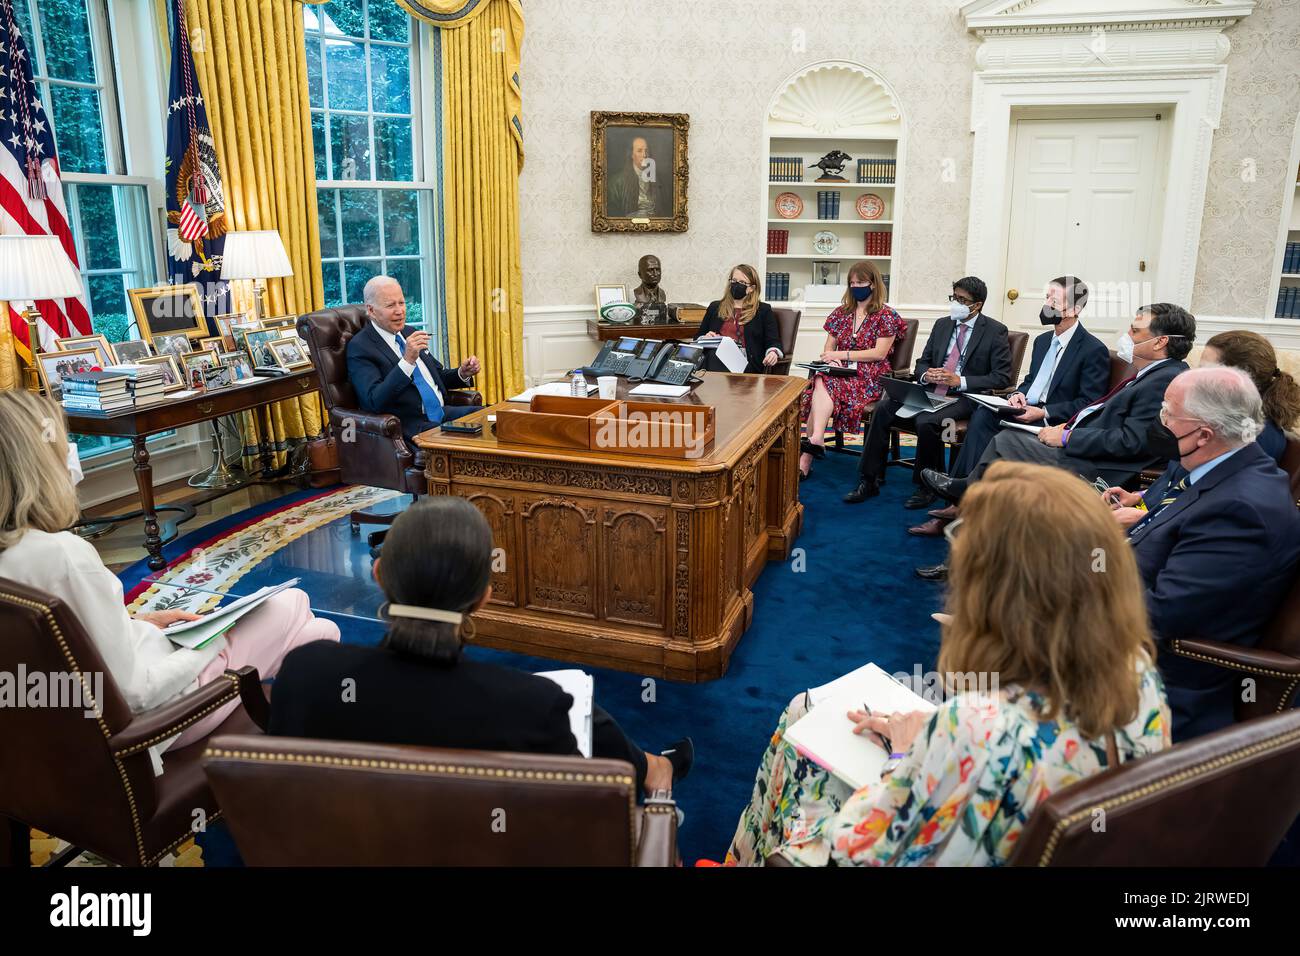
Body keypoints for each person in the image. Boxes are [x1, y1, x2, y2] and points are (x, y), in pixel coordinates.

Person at [725, 463, 1169, 866]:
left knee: (806, 731)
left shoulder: (978, 726)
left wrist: (903, 754)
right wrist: (932, 737)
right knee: (808, 710)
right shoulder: (1138, 670)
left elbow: (863, 853)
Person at [0, 391, 339, 774]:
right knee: (291, 602)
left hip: (62, 733)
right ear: (39, 465)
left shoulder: (20, 557)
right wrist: (213, 642)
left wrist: (138, 623)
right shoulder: (63, 556)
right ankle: (301, 768)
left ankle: (286, 758)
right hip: (157, 722)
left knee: (318, 633)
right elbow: (136, 693)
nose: (70, 459)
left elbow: (61, 645)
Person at [270, 496, 694, 800]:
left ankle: (654, 766)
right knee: (584, 714)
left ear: (379, 575)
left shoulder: (305, 671)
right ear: (484, 598)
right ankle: (655, 769)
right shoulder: (531, 705)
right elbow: (570, 821)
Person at [1103, 367, 1300, 741]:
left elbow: (1158, 615)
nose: (1159, 421)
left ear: (1204, 434)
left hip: (1159, 678)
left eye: (1167, 414)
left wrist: (1073, 583)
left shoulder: (1241, 511)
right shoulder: (1218, 468)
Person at [921, 302, 1195, 505]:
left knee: (1006, 442)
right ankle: (970, 499)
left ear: (1160, 342)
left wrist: (1067, 437)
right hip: (1077, 436)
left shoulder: (1165, 379)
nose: (1128, 336)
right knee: (998, 431)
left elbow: (1131, 441)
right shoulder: (1154, 372)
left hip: (1098, 464)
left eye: (1135, 331)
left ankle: (969, 499)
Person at [909, 276, 1110, 537]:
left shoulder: (1093, 350)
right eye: (1046, 297)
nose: (1046, 304)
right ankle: (958, 500)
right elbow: (1030, 382)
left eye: (1054, 300)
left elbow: (1089, 403)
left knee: (995, 431)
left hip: (1052, 421)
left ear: (1074, 309)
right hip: (1025, 409)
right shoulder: (1042, 341)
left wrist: (1044, 411)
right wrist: (1018, 395)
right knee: (982, 416)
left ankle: (958, 505)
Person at [844, 276, 1011, 507]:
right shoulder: (943, 324)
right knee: (883, 408)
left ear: (978, 305)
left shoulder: (995, 331)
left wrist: (959, 380)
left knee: (927, 421)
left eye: (963, 300)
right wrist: (925, 375)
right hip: (931, 390)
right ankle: (870, 479)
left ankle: (926, 485)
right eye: (954, 297)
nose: (956, 303)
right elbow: (923, 362)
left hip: (963, 397)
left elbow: (1002, 377)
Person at [797, 260, 906, 478]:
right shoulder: (841, 312)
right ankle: (816, 440)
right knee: (823, 375)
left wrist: (841, 355)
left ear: (873, 284)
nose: (856, 286)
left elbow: (878, 353)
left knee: (822, 383)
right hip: (842, 372)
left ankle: (807, 457)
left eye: (861, 282)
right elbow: (829, 346)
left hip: (871, 376)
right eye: (852, 283)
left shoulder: (887, 315)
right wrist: (832, 360)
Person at [346, 275, 483, 445]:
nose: (400, 311)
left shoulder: (409, 332)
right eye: (390, 305)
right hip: (412, 424)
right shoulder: (360, 347)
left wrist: (462, 373)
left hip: (443, 414)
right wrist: (407, 361)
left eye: (401, 303)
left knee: (493, 419)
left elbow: (436, 376)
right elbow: (374, 402)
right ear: (371, 310)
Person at [1200, 330, 1299, 463]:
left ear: (1240, 378)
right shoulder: (1232, 418)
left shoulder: (1250, 435)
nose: (1196, 376)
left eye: (1206, 370)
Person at [697, 264, 782, 373]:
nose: (737, 285)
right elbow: (698, 337)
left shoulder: (763, 310)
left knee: (712, 357)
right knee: (713, 355)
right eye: (734, 281)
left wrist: (773, 352)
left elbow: (773, 341)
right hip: (715, 356)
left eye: (742, 282)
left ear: (751, 288)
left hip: (746, 362)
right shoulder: (715, 307)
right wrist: (705, 337)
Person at [608, 135, 666, 218]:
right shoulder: (616, 182)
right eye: (639, 151)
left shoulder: (658, 180)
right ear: (631, 154)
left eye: (646, 151)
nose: (645, 155)